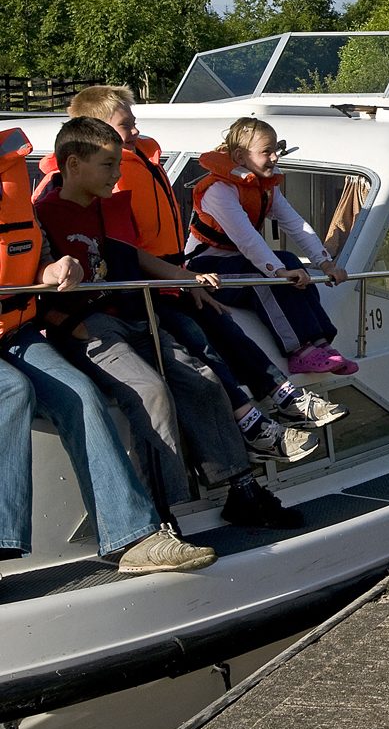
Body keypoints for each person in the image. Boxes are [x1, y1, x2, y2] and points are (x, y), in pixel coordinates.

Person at [39, 86, 346, 455]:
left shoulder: (127, 167)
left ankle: (283, 393)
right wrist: (180, 279)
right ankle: (252, 426)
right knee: (200, 343)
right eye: (126, 126)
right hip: (138, 295)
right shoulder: (91, 185)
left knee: (222, 324)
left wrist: (184, 279)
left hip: (170, 278)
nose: (135, 132)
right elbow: (123, 254)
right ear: (95, 132)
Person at [34, 116, 302, 529]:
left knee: (204, 380)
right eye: (108, 166)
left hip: (132, 314)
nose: (118, 174)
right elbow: (39, 276)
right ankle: (158, 515)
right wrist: (64, 311)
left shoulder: (107, 208)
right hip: (86, 326)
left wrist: (186, 277)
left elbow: (137, 258)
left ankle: (243, 490)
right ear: (72, 166)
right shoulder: (45, 214)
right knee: (150, 391)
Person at [0, 125, 216, 578]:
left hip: (13, 333)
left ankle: (130, 537)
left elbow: (33, 251)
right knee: (13, 391)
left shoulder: (14, 181)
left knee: (81, 392)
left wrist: (56, 265)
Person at [185, 116, 358, 377]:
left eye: (276, 149)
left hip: (238, 261)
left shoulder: (265, 187)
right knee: (265, 279)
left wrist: (325, 262)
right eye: (267, 151)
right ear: (240, 157)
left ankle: (321, 343)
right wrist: (277, 272)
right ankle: (298, 351)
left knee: (291, 259)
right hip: (205, 267)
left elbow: (295, 224)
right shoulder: (218, 190)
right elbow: (248, 239)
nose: (275, 157)